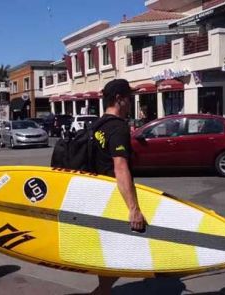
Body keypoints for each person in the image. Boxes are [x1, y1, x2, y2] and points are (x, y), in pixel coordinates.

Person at [91, 79, 146, 295]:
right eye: (129, 98)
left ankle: (103, 291)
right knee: (129, 249)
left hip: (96, 197)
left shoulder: (98, 125)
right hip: (113, 199)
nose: (131, 102)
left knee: (109, 253)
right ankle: (101, 292)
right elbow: (120, 167)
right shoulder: (118, 127)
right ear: (119, 99)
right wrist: (133, 208)